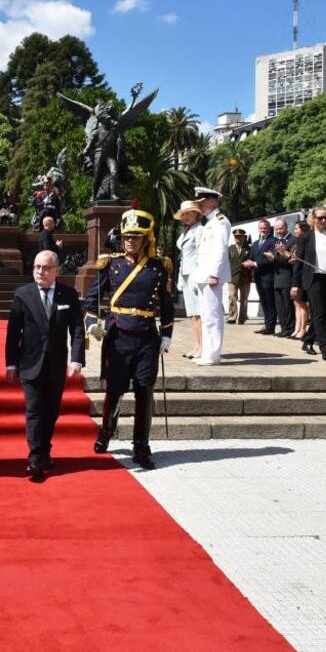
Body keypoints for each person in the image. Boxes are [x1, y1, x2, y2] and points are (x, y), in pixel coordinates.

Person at [84, 209, 175, 469]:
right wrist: (92, 323)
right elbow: (92, 299)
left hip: (147, 336)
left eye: (136, 237)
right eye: (127, 237)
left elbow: (166, 305)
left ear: (146, 238)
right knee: (115, 389)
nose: (131, 241)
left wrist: (166, 334)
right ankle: (107, 431)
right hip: (118, 335)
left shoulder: (159, 267)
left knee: (145, 390)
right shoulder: (110, 265)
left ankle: (141, 446)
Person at [6, 250, 84, 482]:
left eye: (46, 267)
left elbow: (77, 329)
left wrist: (77, 359)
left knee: (52, 411)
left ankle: (44, 450)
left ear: (57, 271)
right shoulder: (23, 294)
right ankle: (35, 458)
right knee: (34, 410)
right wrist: (11, 364)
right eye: (37, 267)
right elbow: (13, 334)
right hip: (30, 364)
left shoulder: (68, 295)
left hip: (57, 364)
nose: (40, 271)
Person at [293, 206, 326, 361]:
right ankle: (325, 348)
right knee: (318, 314)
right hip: (314, 280)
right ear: (313, 219)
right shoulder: (306, 237)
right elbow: (299, 262)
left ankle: (308, 340)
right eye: (320, 218)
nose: (323, 220)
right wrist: (295, 284)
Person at [191, 186, 230, 365]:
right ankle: (207, 353)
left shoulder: (221, 222)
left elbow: (220, 251)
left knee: (213, 315)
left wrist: (214, 274)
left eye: (203, 202)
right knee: (206, 315)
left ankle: (213, 355)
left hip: (211, 277)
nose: (200, 205)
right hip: (204, 276)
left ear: (213, 202)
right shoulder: (210, 223)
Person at [173, 200, 202, 358]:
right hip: (185, 274)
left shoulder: (200, 230)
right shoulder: (186, 231)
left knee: (198, 313)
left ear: (196, 214)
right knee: (192, 313)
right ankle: (197, 346)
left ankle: (202, 347)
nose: (185, 217)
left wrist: (198, 277)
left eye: (188, 213)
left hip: (194, 274)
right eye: (183, 214)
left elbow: (200, 255)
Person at [246, 219, 277, 334]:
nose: (263, 230)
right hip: (258, 277)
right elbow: (251, 257)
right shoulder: (255, 243)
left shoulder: (273, 241)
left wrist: (255, 263)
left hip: (269, 276)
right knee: (263, 301)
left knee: (270, 302)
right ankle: (267, 324)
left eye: (265, 228)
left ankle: (271, 326)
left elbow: (272, 258)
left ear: (269, 228)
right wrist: (248, 262)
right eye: (261, 228)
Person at [270, 218, 295, 337]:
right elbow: (275, 258)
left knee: (287, 306)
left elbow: (293, 260)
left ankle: (289, 329)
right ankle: (283, 328)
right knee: (279, 306)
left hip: (287, 277)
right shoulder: (277, 241)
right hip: (277, 277)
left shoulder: (292, 240)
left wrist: (279, 256)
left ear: (286, 227)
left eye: (281, 228)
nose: (279, 231)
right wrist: (271, 258)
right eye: (276, 229)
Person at [290, 220, 311, 339]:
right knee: (296, 303)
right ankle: (297, 328)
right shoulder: (296, 241)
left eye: (297, 229)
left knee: (302, 303)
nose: (295, 231)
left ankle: (303, 329)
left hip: (302, 276)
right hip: (295, 274)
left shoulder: (305, 240)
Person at [226, 228, 251, 324]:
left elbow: (251, 260)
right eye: (236, 237)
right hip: (232, 276)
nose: (238, 239)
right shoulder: (230, 248)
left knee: (244, 298)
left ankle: (242, 318)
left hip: (245, 276)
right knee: (232, 296)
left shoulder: (248, 249)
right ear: (234, 238)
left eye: (240, 237)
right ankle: (232, 317)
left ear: (244, 237)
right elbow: (226, 262)